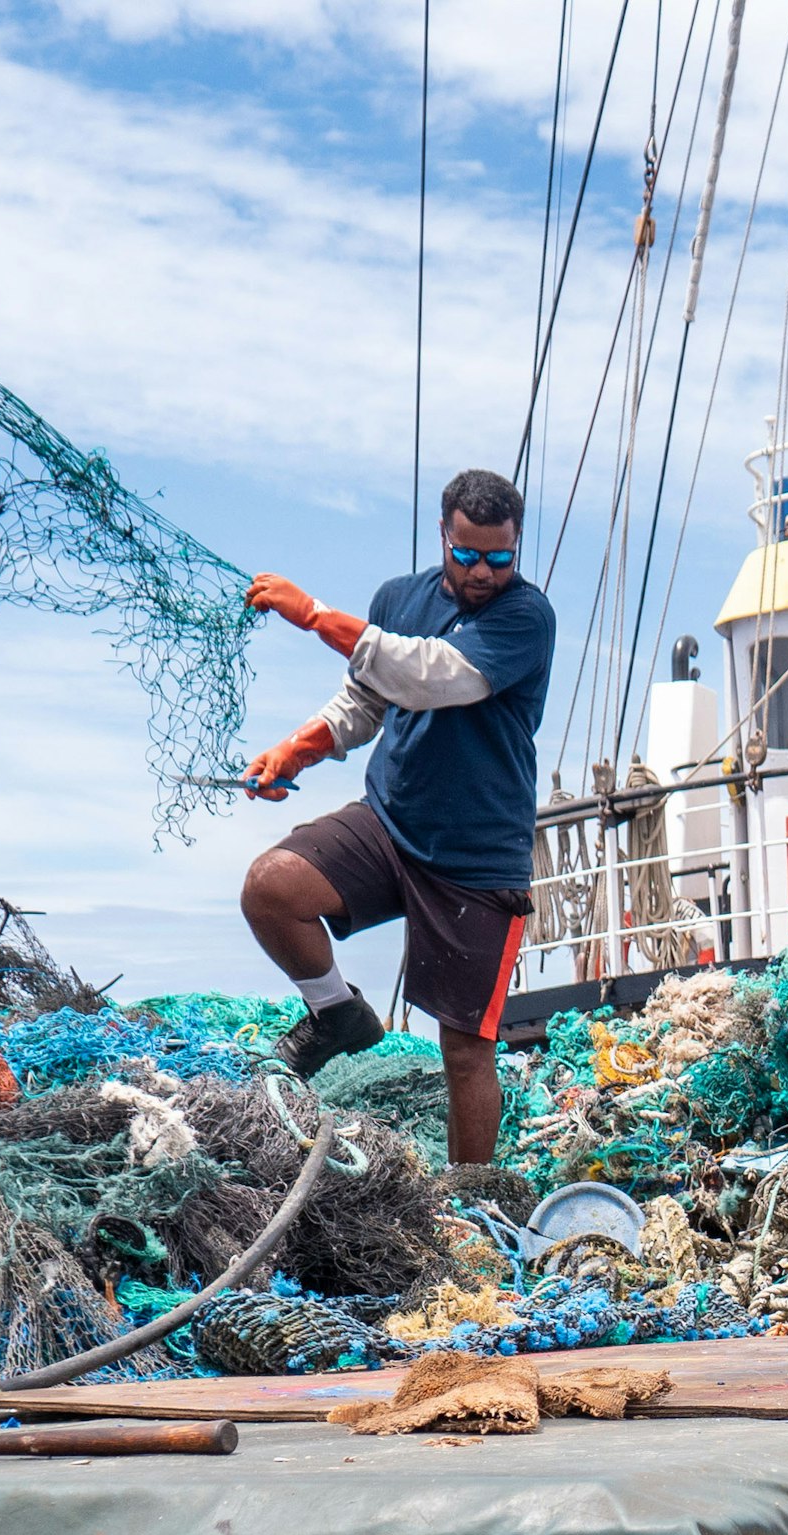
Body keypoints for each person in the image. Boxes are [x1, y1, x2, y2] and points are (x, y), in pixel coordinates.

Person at [237, 469, 555, 1164]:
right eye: (467, 554)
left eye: (500, 558)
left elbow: (429, 674)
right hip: (390, 823)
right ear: (444, 535)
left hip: (475, 858)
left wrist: (314, 614)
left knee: (466, 1049)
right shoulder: (399, 598)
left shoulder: (526, 618)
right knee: (271, 887)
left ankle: (471, 1202)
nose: (482, 572)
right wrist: (296, 751)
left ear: (516, 547)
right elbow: (366, 702)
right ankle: (336, 1014)